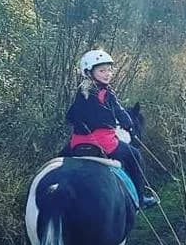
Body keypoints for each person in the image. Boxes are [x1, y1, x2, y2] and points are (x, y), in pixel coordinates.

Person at [65, 49, 159, 209]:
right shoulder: (107, 93)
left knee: (59, 159)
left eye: (109, 70)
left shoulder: (82, 91)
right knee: (135, 156)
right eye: (102, 71)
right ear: (89, 71)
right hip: (105, 143)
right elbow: (121, 113)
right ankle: (141, 198)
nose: (107, 74)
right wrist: (127, 123)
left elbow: (70, 116)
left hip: (78, 142)